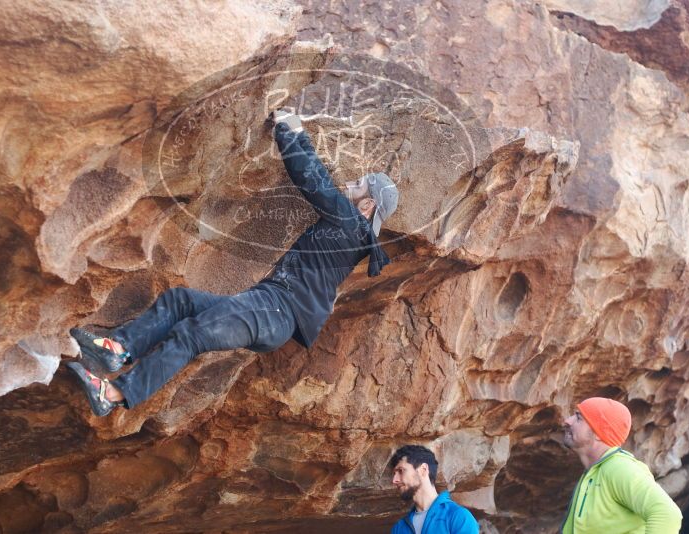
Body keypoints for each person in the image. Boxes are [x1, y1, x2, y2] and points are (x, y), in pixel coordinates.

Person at [65, 110, 399, 416]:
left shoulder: (349, 223)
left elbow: (312, 179)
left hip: (274, 311)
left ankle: (112, 395)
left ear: (367, 204)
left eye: (359, 185)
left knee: (191, 334)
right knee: (181, 301)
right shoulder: (352, 233)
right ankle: (116, 348)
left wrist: (290, 127)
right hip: (268, 310)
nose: (350, 184)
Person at [561, 397, 682, 533]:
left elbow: (667, 515)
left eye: (578, 418)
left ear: (599, 433)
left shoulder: (620, 468)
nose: (567, 421)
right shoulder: (594, 473)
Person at [389, 445, 479, 534]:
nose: (394, 480)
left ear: (423, 470)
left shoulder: (458, 517)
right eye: (394, 473)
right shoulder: (398, 528)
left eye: (401, 471)